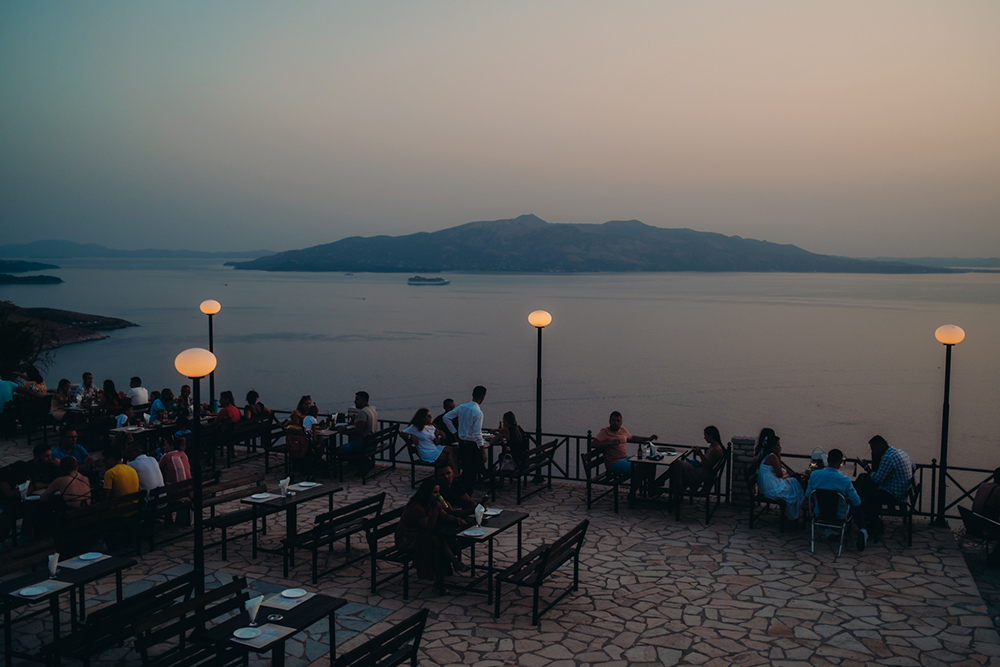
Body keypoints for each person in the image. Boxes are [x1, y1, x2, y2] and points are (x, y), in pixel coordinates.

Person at [394, 478, 467, 580]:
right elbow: (428, 527)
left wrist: (456, 519)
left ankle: (449, 566)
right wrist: (436, 510)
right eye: (435, 492)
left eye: (438, 492)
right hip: (408, 539)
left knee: (442, 539)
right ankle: (451, 564)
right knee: (436, 540)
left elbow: (445, 515)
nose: (438, 495)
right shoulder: (417, 507)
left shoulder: (432, 502)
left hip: (420, 535)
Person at [805, 448, 868, 550]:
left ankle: (827, 531)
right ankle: (863, 530)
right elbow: (857, 502)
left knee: (823, 503)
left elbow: (808, 495)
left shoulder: (814, 475)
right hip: (840, 515)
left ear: (828, 460)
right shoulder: (845, 480)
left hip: (819, 513)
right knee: (856, 508)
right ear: (841, 462)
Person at [855, 435, 915, 533]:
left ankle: (876, 524)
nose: (872, 452)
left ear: (879, 445)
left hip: (894, 495)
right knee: (864, 483)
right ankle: (872, 520)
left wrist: (866, 467)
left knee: (864, 496)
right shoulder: (899, 452)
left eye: (873, 449)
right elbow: (913, 466)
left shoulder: (888, 457)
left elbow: (877, 479)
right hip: (902, 491)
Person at [443, 386, 489, 488]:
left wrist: (454, 432)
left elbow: (446, 417)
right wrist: (483, 451)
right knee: (471, 475)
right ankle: (465, 496)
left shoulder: (462, 407)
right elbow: (477, 433)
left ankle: (462, 494)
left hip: (462, 445)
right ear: (483, 397)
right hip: (472, 446)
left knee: (467, 473)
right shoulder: (478, 413)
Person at [756, 429, 805, 521]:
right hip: (771, 488)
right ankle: (797, 513)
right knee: (795, 484)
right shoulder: (772, 456)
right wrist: (778, 455)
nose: (779, 447)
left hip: (764, 487)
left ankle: (795, 513)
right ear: (772, 447)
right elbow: (779, 474)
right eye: (778, 445)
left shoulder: (764, 455)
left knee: (793, 482)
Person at [590, 411, 658, 476]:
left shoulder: (623, 430)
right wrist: (610, 443)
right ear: (609, 421)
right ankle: (635, 488)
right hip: (614, 463)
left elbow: (632, 438)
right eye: (613, 420)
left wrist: (648, 439)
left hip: (625, 459)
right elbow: (593, 444)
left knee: (649, 463)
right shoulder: (605, 432)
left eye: (618, 421)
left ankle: (650, 486)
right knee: (638, 469)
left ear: (621, 422)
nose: (615, 423)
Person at [672, 425, 726, 494]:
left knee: (677, 464)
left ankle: (675, 489)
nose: (704, 438)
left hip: (703, 473)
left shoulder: (716, 449)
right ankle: (671, 486)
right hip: (702, 470)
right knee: (676, 466)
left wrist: (700, 454)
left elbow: (708, 466)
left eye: (706, 436)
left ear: (711, 436)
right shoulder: (713, 446)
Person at [339, 391, 378, 457]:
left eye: (357, 399)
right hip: (372, 443)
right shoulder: (372, 410)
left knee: (338, 450)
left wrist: (343, 431)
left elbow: (359, 431)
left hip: (364, 444)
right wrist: (355, 420)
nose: (354, 401)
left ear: (363, 400)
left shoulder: (363, 412)